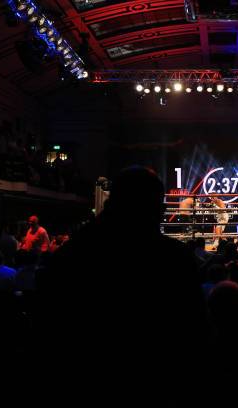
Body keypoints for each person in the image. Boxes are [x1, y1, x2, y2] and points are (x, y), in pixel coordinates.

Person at [35, 166, 207, 400]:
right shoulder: (173, 258)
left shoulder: (74, 252)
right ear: (154, 207)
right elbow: (195, 334)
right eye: (160, 206)